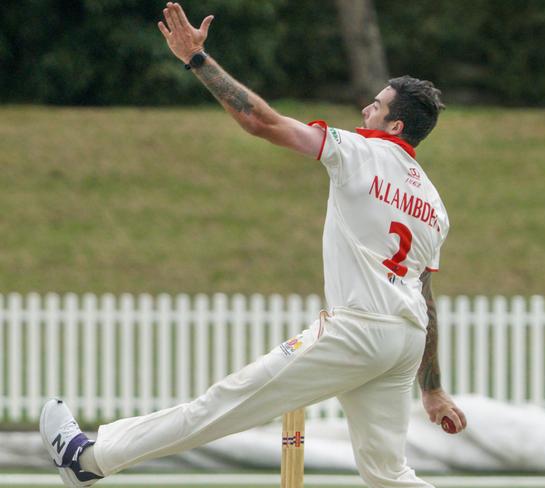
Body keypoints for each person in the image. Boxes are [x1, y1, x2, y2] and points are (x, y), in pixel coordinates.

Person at [39, 3, 467, 487]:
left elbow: (262, 122)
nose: (365, 107)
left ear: (394, 126)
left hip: (358, 330)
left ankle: (88, 459)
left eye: (376, 104)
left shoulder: (356, 150)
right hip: (404, 341)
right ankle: (92, 459)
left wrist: (197, 60)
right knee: (389, 475)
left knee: (224, 402)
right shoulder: (434, 203)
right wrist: (432, 389)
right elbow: (425, 300)